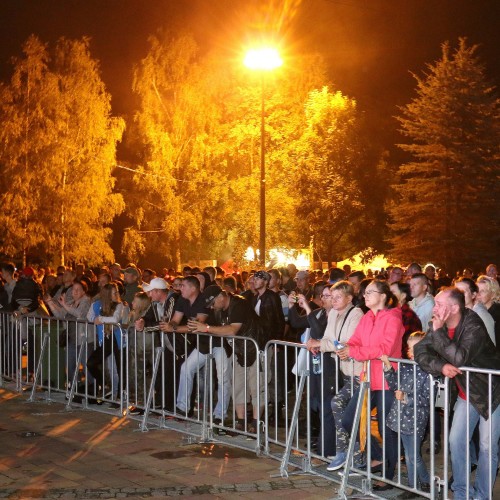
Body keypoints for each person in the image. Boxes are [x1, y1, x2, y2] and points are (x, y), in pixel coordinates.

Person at [414, 287, 500, 500]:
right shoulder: (438, 325)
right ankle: (462, 492)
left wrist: (438, 332)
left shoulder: (473, 325)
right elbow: (419, 351)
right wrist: (441, 366)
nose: (434, 308)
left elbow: (459, 358)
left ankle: (482, 495)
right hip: (466, 393)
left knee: (487, 447)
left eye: (439, 304)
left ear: (453, 308)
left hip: (491, 391)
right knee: (456, 441)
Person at [337, 279, 404, 490]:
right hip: (368, 378)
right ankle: (379, 456)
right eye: (364, 292)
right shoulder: (367, 317)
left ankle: (388, 476)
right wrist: (346, 348)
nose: (365, 296)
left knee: (386, 428)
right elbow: (356, 340)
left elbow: (384, 349)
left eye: (370, 292)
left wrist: (355, 352)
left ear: (383, 296)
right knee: (350, 419)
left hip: (387, 380)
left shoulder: (393, 318)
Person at [305, 281, 364, 464]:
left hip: (359, 371)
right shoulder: (333, 314)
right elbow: (328, 339)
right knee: (346, 413)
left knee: (341, 408)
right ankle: (351, 454)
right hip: (344, 371)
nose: (334, 300)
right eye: (332, 296)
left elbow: (346, 342)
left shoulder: (356, 314)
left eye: (338, 297)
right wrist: (317, 344)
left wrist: (321, 344)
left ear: (349, 298)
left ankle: (352, 454)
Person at [381, 332, 431, 496]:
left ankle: (415, 486)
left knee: (412, 456)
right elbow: (394, 384)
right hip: (402, 417)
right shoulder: (406, 366)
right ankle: (423, 482)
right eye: (409, 348)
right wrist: (388, 367)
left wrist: (406, 398)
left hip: (416, 420)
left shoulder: (429, 372)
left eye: (415, 348)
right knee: (411, 455)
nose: (410, 352)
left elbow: (427, 398)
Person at [175, 285, 231, 425]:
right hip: (205, 343)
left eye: (212, 303)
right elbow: (198, 323)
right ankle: (182, 407)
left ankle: (220, 414)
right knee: (186, 368)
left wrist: (200, 326)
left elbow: (203, 323)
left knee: (223, 378)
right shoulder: (201, 302)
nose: (211, 306)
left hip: (221, 344)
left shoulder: (227, 304)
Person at [86, 283, 127, 405]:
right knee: (91, 363)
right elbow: (89, 317)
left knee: (120, 369)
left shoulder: (119, 305)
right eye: (114, 292)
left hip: (118, 339)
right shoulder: (97, 304)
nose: (117, 294)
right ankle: (104, 384)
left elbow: (115, 319)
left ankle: (119, 396)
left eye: (117, 292)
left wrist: (101, 319)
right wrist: (95, 319)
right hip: (106, 339)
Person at [455, 277, 495, 345]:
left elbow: (491, 346)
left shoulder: (481, 315)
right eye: (456, 292)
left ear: (473, 295)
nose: (459, 295)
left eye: (463, 292)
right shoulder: (455, 314)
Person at [390, 281, 422, 358]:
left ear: (403, 296)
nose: (389, 295)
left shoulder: (408, 316)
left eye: (392, 292)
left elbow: (408, 345)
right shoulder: (391, 313)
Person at [476, 275, 500, 349]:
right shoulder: (475, 309)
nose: (478, 294)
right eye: (477, 290)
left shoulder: (497, 314)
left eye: (482, 291)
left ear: (493, 294)